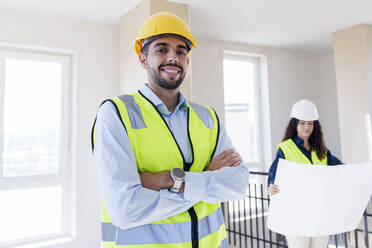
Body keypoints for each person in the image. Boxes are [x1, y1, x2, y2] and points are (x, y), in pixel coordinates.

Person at [91, 12, 249, 248]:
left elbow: (238, 184)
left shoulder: (207, 118)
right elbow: (126, 209)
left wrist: (169, 180)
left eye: (181, 51)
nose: (173, 57)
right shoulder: (116, 114)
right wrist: (207, 178)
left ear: (187, 61)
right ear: (143, 59)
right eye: (161, 49)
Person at [267, 99, 342, 248]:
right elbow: (274, 174)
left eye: (310, 123)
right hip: (296, 213)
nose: (306, 127)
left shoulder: (321, 149)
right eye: (302, 123)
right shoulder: (285, 148)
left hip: (319, 211)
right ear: (295, 124)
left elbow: (341, 169)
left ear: (315, 125)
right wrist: (271, 186)